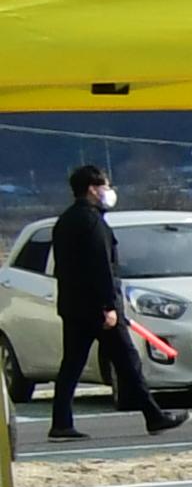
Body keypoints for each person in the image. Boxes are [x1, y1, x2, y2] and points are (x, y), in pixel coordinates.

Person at [38, 162, 172, 438]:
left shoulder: (66, 221)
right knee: (127, 360)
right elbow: (101, 267)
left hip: (74, 306)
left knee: (72, 365)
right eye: (105, 186)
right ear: (92, 190)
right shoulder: (92, 222)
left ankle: (61, 422)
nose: (109, 192)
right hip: (98, 310)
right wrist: (109, 307)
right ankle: (154, 415)